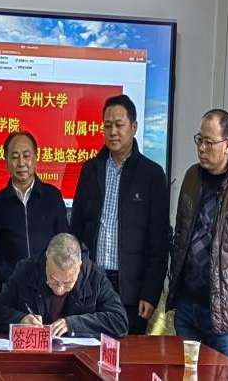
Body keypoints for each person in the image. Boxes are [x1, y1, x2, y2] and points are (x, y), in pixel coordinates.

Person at [167, 109, 228, 360]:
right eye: (199, 140)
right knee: (184, 373)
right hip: (187, 305)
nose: (202, 148)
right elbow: (181, 236)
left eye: (209, 142)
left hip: (223, 313)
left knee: (222, 375)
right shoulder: (191, 177)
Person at [70, 94, 169, 335]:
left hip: (131, 291)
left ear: (133, 127)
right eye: (107, 126)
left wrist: (150, 293)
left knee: (128, 352)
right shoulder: (90, 170)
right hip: (91, 282)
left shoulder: (152, 175)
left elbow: (159, 242)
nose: (112, 132)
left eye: (119, 125)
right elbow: (76, 228)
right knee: (88, 348)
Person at [0, 233, 128, 338]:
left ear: (79, 265)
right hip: (34, 354)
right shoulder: (26, 270)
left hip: (80, 357)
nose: (59, 290)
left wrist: (74, 324)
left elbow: (120, 322)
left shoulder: (95, 277)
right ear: (46, 260)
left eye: (67, 284)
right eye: (53, 280)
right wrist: (20, 319)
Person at [0, 131, 69, 307]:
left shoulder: (53, 197)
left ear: (36, 158)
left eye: (26, 156)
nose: (21, 163)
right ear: (6, 162)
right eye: (14, 157)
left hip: (48, 292)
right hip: (10, 293)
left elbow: (64, 243)